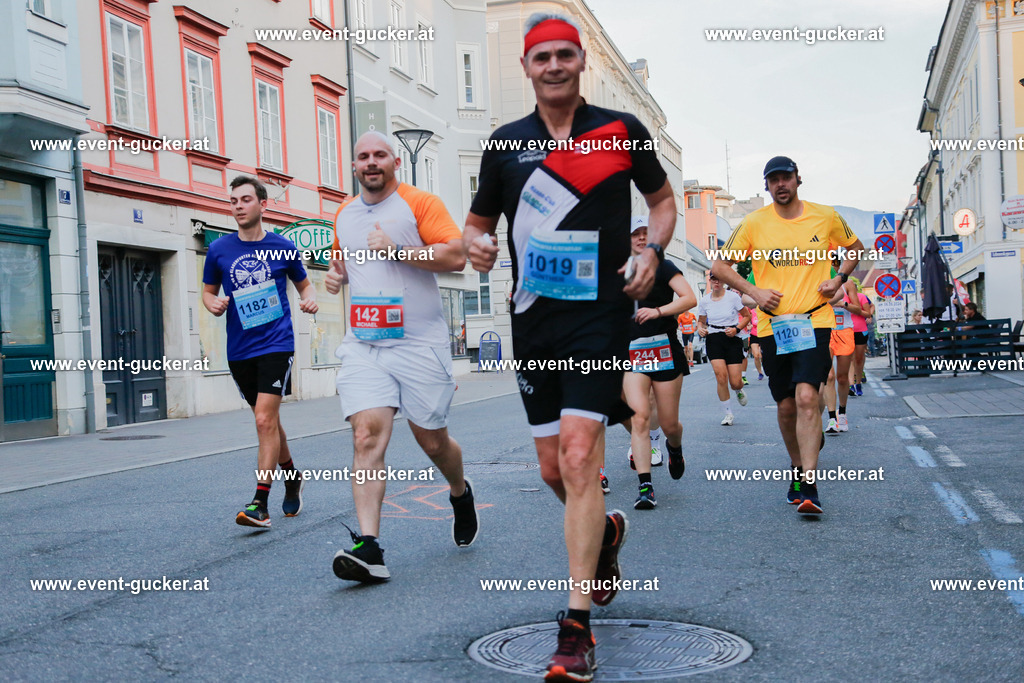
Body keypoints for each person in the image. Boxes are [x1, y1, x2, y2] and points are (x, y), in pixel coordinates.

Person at [463, 12, 677, 682]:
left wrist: (655, 250)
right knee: (555, 471)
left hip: (599, 316)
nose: (553, 66)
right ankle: (604, 538)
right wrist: (476, 247)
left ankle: (575, 626)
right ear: (527, 69)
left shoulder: (621, 130)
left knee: (583, 455)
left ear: (581, 61)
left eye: (564, 55)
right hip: (533, 320)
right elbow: (477, 227)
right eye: (541, 58)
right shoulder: (503, 146)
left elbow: (663, 201)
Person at [326, 131, 478, 583]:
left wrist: (400, 250)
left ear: (395, 161)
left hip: (419, 343)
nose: (371, 163)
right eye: (362, 157)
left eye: (379, 155)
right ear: (353, 166)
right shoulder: (344, 214)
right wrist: (336, 278)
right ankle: (369, 547)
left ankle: (459, 490)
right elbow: (346, 266)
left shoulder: (420, 203)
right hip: (365, 342)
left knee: (432, 441)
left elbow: (456, 257)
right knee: (366, 436)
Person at [713, 156, 863, 514]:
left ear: (798, 180)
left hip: (815, 320)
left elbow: (856, 249)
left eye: (787, 177)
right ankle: (797, 466)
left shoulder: (825, 216)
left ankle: (809, 484)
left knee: (808, 397)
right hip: (772, 325)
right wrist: (756, 291)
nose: (781, 184)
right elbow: (719, 265)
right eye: (774, 180)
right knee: (785, 406)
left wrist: (838, 279)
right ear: (767, 186)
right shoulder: (753, 223)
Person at [202, 175, 318, 528]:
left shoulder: (283, 247)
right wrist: (213, 304)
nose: (238, 206)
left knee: (264, 419)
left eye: (245, 200)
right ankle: (292, 476)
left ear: (262, 204)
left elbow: (305, 285)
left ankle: (259, 503)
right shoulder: (219, 249)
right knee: (268, 421)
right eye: (233, 201)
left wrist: (309, 300)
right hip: (239, 348)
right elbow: (207, 292)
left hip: (276, 344)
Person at [622, 215, 695, 508]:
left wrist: (658, 311)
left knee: (668, 424)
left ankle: (674, 448)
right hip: (632, 354)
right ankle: (645, 486)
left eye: (645, 233)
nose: (641, 238)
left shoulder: (663, 266)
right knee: (639, 417)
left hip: (665, 350)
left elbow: (689, 298)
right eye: (635, 234)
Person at [697, 274, 750, 426]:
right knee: (720, 376)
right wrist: (701, 329)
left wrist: (736, 329)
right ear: (710, 281)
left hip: (732, 338)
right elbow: (701, 321)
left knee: (735, 382)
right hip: (714, 338)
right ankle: (728, 414)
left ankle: (738, 390)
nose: (717, 282)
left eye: (720, 279)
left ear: (724, 281)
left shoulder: (733, 297)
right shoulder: (705, 300)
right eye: (714, 279)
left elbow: (746, 316)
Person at [823, 259, 862, 434]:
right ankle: (831, 418)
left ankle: (843, 413)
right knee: (828, 376)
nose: (831, 266)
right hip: (826, 331)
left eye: (833, 263)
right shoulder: (819, 281)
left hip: (845, 331)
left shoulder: (848, 283)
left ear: (839, 265)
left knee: (842, 377)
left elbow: (858, 309)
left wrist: (843, 304)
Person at [847, 278, 872, 397]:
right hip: (847, 330)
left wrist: (857, 311)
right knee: (849, 359)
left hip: (861, 330)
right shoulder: (842, 298)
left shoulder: (861, 297)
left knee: (859, 358)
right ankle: (851, 384)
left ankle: (858, 383)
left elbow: (868, 313)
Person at [748, 308, 765, 380]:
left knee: (762, 355)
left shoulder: (764, 311)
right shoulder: (751, 312)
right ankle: (760, 372)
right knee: (756, 355)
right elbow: (748, 323)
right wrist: (749, 326)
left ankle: (765, 367)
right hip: (754, 335)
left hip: (763, 334)